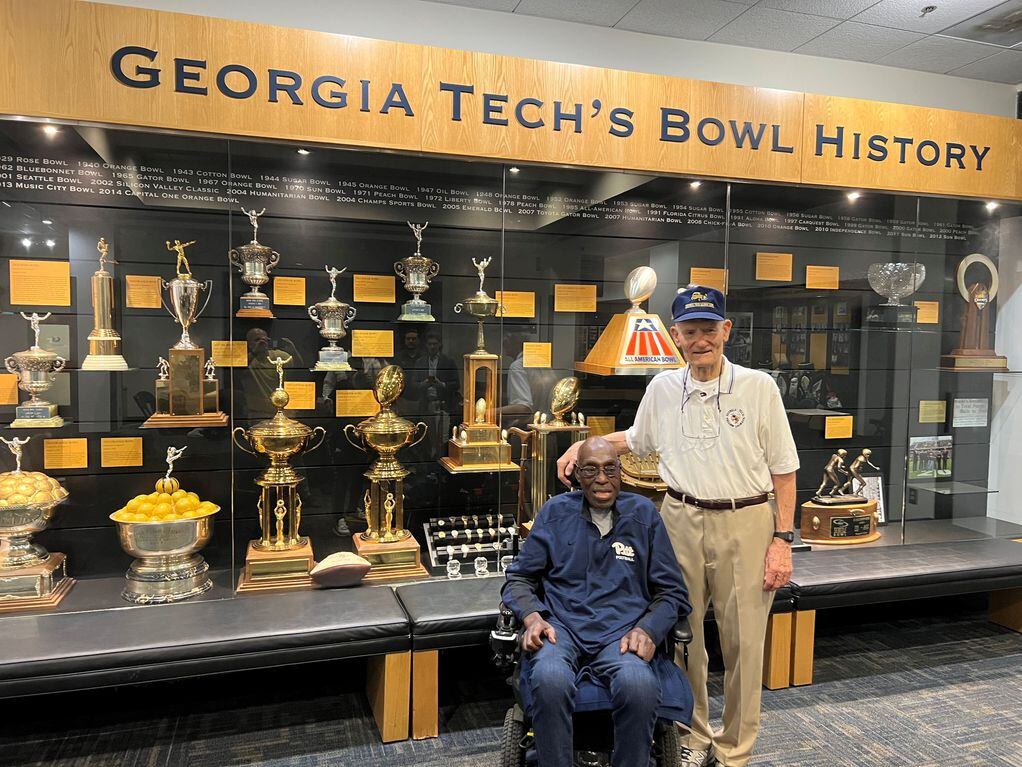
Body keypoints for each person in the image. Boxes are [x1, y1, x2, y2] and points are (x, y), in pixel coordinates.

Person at [557, 285, 799, 767]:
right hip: (679, 519)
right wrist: (584, 447)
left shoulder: (758, 387)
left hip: (746, 520)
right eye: (690, 331)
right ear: (676, 336)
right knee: (680, 636)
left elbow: (784, 470)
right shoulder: (663, 388)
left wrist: (782, 540)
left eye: (709, 329)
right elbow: (636, 438)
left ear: (726, 331)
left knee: (743, 643)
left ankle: (734, 750)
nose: (700, 340)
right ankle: (694, 735)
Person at [504, 436, 691, 767]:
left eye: (610, 469)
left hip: (621, 633)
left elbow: (672, 591)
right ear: (576, 474)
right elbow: (519, 578)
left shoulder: (644, 515)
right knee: (549, 678)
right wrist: (533, 617)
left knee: (638, 684)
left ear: (621, 472)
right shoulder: (554, 513)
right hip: (562, 629)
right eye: (590, 469)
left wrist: (649, 630)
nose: (602, 478)